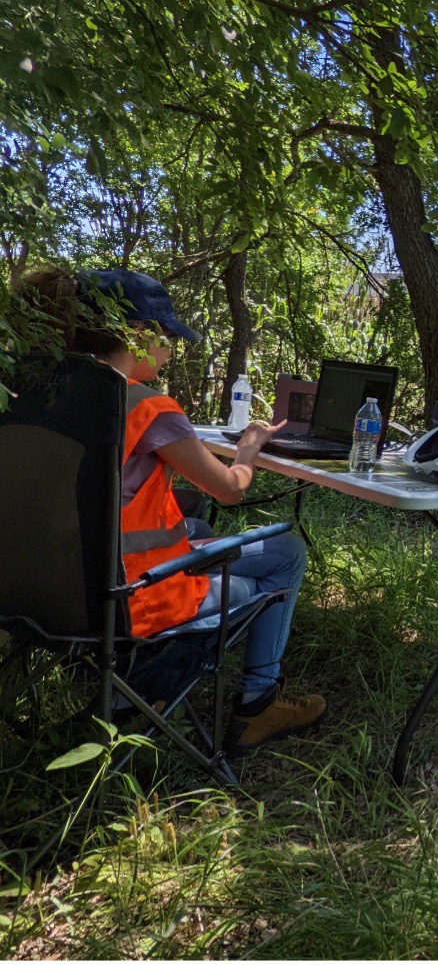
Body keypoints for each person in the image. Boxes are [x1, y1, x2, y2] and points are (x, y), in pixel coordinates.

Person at [21, 267, 325, 752]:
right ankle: (258, 704)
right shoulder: (145, 406)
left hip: (34, 590)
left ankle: (138, 691)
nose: (171, 348)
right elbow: (229, 488)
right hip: (121, 605)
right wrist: (249, 448)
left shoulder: (40, 394)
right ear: (138, 334)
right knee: (286, 550)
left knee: (196, 523)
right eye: (167, 335)